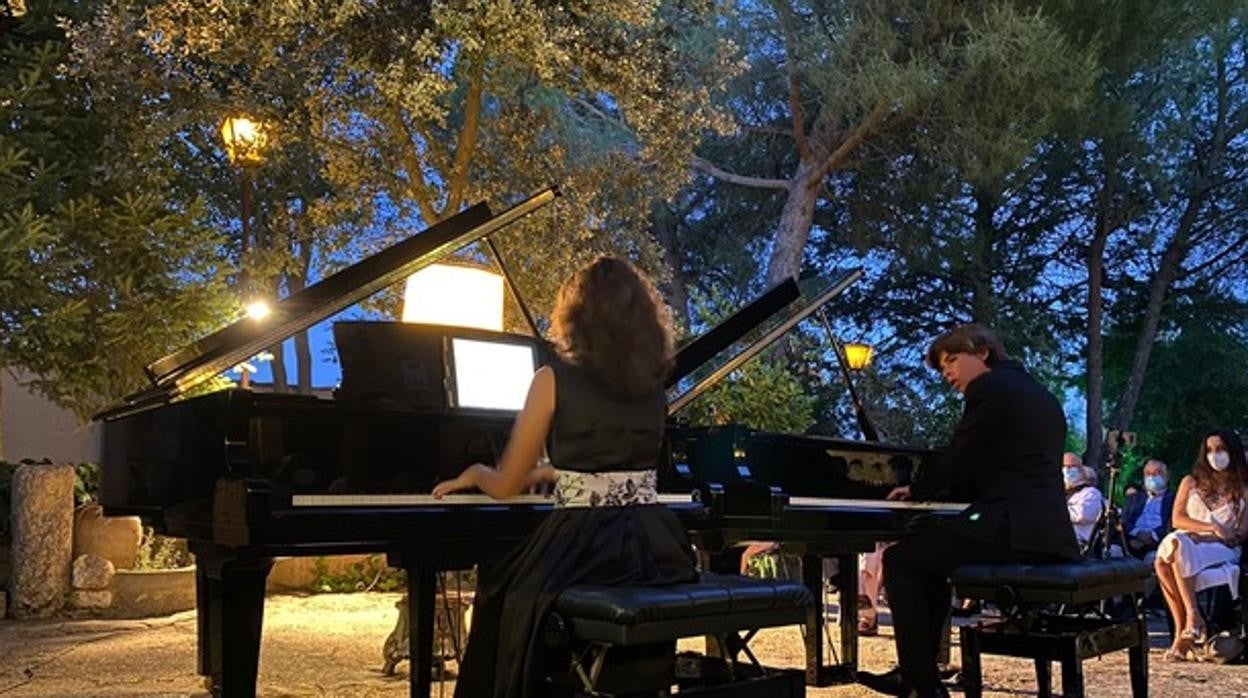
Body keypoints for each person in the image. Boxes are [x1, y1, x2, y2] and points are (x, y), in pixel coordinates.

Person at [431, 256, 697, 697]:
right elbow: (618, 464)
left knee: (501, 592)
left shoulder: (551, 378)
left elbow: (505, 486)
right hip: (656, 544)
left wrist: (475, 471)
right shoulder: (653, 386)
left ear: (576, 313)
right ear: (644, 319)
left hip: (586, 543)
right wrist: (552, 471)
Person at [858, 324, 1080, 698]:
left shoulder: (989, 388)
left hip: (1013, 528)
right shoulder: (1035, 392)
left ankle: (920, 683)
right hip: (1044, 529)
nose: (946, 373)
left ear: (982, 352)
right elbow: (989, 465)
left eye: (951, 360)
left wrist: (918, 489)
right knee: (928, 557)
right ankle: (920, 671)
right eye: (942, 367)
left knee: (901, 562)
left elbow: (960, 456)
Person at [1154, 429, 1248, 662]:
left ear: (1232, 452)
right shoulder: (1191, 482)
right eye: (1209, 450)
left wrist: (1209, 537)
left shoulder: (1244, 487)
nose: (1214, 455)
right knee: (1176, 544)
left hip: (1223, 548)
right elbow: (1177, 520)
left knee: (1166, 558)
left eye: (1220, 450)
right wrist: (1210, 528)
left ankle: (1185, 631)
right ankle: (1191, 619)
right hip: (1190, 541)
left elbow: (1241, 533)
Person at [1121, 458, 1175, 559]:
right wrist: (1137, 533)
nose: (1151, 477)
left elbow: (1172, 523)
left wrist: (1152, 535)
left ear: (1166, 477)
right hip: (1130, 541)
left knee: (1152, 558)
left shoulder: (1174, 500)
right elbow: (1124, 520)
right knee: (1113, 551)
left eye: (1156, 474)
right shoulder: (1133, 498)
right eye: (1147, 474)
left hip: (1158, 543)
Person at [1064, 458, 1105, 553]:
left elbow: (1081, 515)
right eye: (1064, 467)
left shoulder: (1090, 493)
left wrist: (1056, 511)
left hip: (1078, 543)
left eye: (1071, 467)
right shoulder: (1062, 494)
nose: (1066, 471)